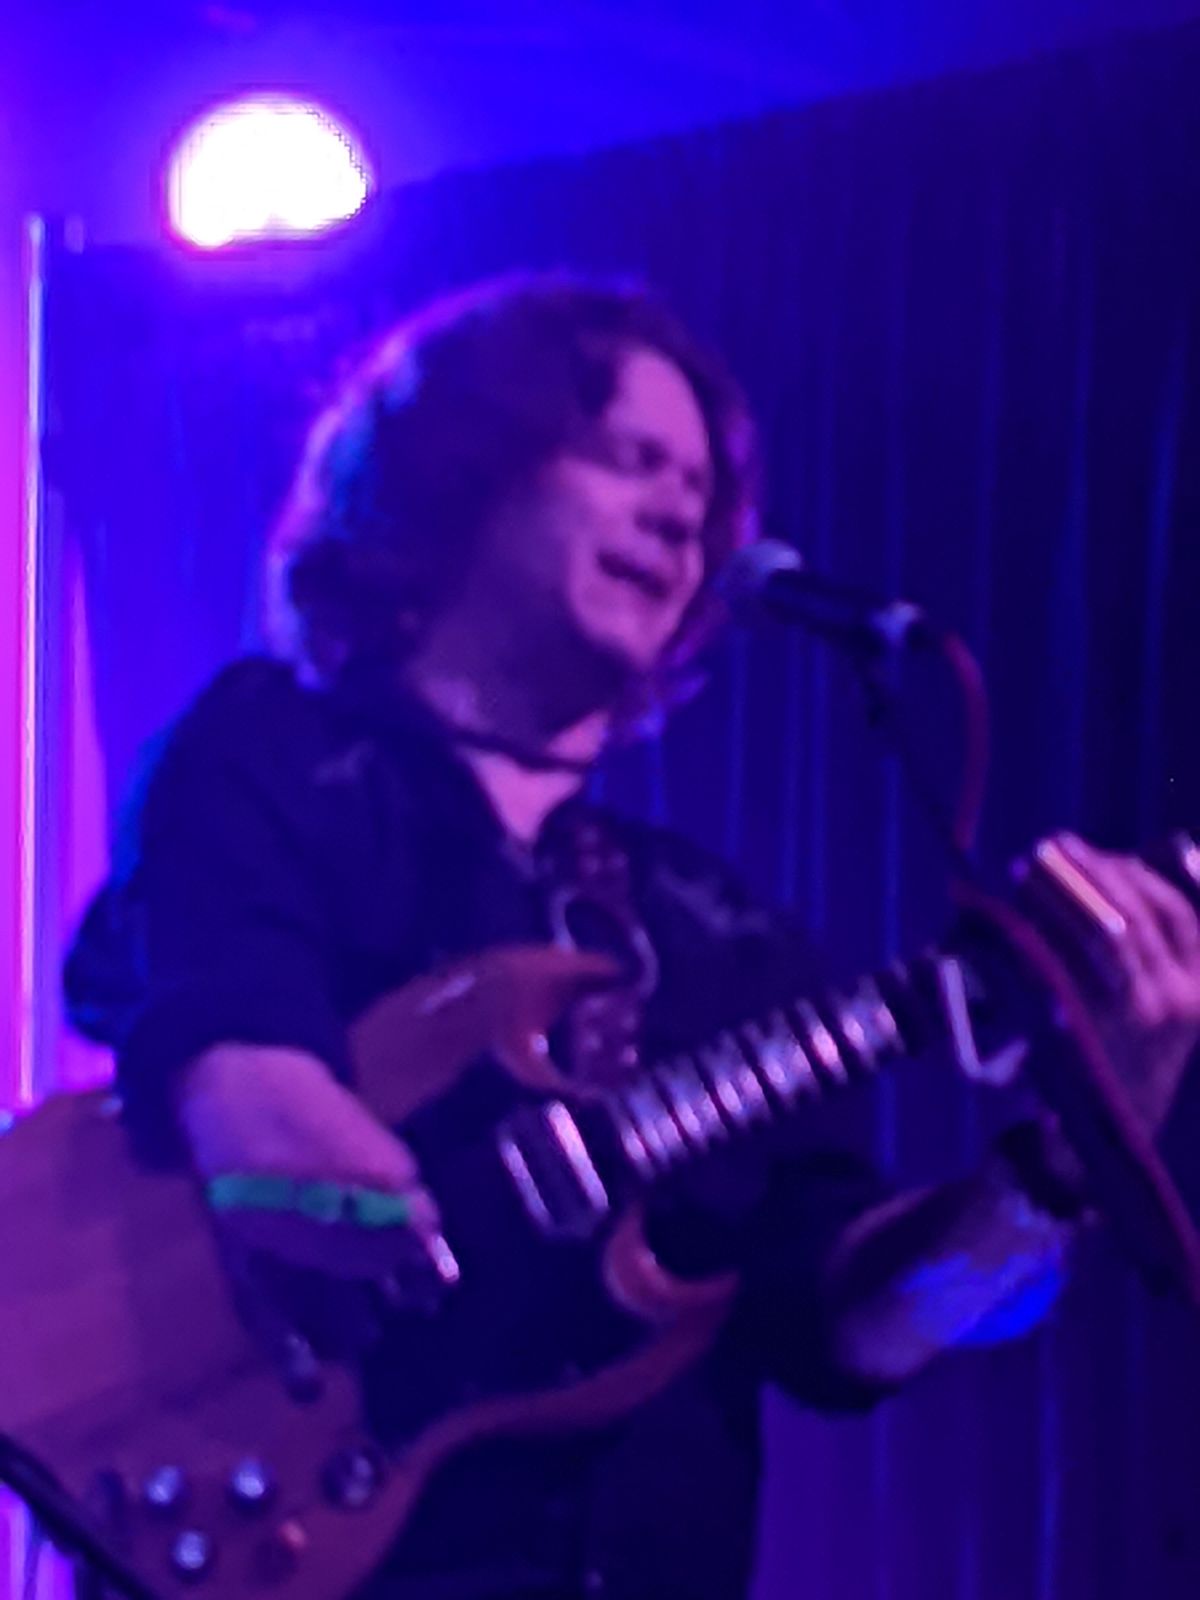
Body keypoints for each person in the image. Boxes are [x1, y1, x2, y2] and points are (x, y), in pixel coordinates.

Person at [64, 275, 1200, 1600]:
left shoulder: (720, 933)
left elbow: (855, 1329)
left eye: (703, 495)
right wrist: (422, 1209)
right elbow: (247, 1077)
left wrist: (1063, 1167)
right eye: (628, 459)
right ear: (459, 470)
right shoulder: (268, 757)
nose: (681, 516)